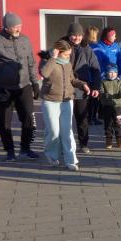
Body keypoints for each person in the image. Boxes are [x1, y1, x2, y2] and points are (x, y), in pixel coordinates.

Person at [0, 12, 40, 161]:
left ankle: (25, 148)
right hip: (3, 88)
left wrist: (35, 83)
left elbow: (31, 63)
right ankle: (10, 150)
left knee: (28, 118)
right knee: (4, 122)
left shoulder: (25, 40)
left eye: (20, 25)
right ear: (6, 27)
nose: (19, 29)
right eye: (15, 27)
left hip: (24, 86)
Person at [39, 40, 91, 171]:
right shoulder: (47, 61)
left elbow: (72, 79)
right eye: (66, 55)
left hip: (67, 100)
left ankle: (71, 160)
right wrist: (53, 58)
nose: (68, 57)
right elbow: (44, 73)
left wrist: (82, 84)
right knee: (53, 131)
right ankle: (52, 155)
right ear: (58, 52)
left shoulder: (67, 63)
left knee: (67, 131)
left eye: (69, 55)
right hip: (50, 101)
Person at [65, 23, 101, 154]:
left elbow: (95, 68)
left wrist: (96, 86)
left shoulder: (87, 49)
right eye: (74, 35)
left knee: (82, 118)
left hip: (82, 88)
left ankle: (84, 143)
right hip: (65, 88)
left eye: (79, 35)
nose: (77, 38)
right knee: (65, 120)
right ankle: (65, 145)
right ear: (69, 35)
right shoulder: (62, 46)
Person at [99, 64, 121, 150]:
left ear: (117, 73)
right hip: (107, 106)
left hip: (117, 106)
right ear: (107, 73)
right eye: (110, 72)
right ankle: (108, 141)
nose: (112, 74)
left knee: (118, 124)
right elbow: (101, 91)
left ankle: (119, 140)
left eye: (114, 72)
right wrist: (105, 95)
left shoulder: (119, 82)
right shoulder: (103, 82)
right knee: (108, 124)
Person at [84, 26, 102, 126]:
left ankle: (90, 118)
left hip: (87, 76)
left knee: (90, 98)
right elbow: (100, 61)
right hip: (94, 75)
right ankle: (92, 118)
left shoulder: (85, 46)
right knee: (94, 98)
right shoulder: (96, 47)